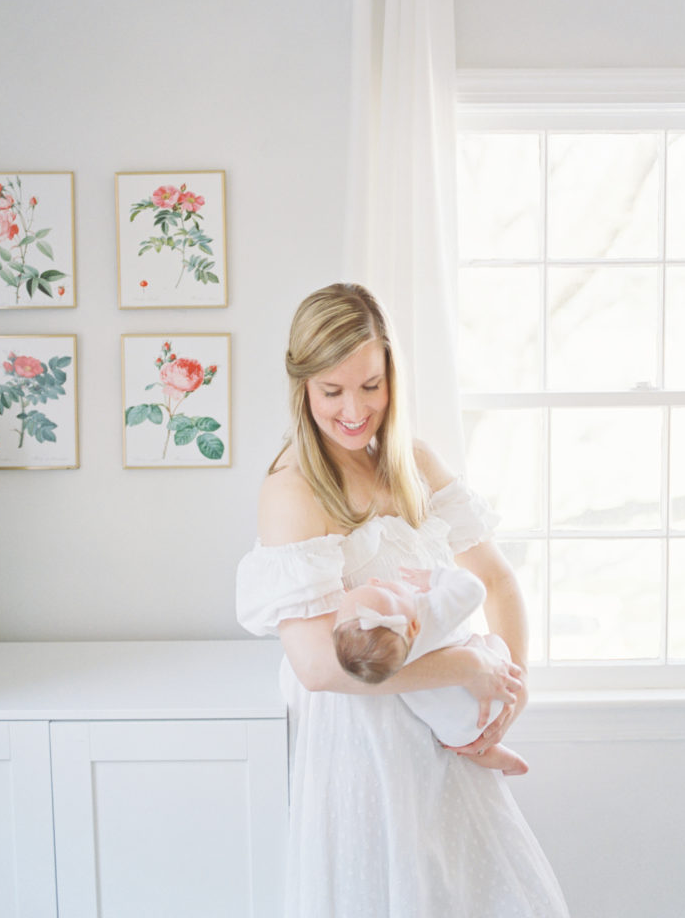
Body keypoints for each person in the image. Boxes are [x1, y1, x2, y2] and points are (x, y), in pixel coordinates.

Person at [236, 283, 569, 917]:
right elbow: (315, 667)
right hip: (361, 745)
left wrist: (512, 690)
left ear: (392, 375)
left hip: (445, 740)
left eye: (370, 385)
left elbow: (496, 581)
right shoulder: (293, 490)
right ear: (302, 385)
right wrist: (468, 667)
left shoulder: (414, 463)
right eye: (332, 391)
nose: (355, 409)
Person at [332, 565, 529, 776]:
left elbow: (357, 630)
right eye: (388, 593)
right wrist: (436, 578)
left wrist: (349, 597)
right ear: (414, 626)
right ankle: (500, 753)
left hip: (451, 734)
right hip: (490, 698)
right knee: (492, 641)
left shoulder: (383, 658)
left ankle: (500, 758)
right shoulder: (426, 614)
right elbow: (474, 589)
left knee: (450, 726)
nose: (374, 580)